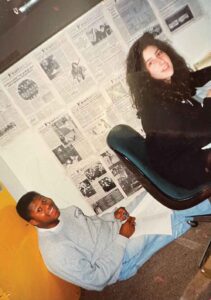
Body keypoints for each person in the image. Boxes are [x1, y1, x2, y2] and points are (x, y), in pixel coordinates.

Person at [16, 191, 211, 291]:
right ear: (34, 222)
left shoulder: (64, 213)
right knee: (170, 214)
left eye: (43, 200)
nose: (47, 206)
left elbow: (95, 223)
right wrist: (122, 237)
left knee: (155, 194)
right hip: (119, 261)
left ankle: (196, 203)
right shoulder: (56, 252)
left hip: (118, 230)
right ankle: (204, 204)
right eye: (39, 210)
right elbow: (96, 282)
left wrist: (114, 217)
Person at [126, 32, 211, 189]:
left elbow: (194, 78)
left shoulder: (167, 83)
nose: (161, 61)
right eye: (151, 63)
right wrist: (208, 99)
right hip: (185, 169)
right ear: (144, 75)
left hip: (189, 152)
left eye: (159, 53)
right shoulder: (157, 108)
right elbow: (206, 132)